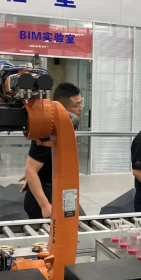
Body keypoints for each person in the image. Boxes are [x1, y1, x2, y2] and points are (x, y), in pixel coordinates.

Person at [20, 83, 83, 219]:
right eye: (76, 105)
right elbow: (30, 170)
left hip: (60, 189)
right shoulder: (47, 131)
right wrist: (45, 205)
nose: (81, 108)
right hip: (45, 196)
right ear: (62, 109)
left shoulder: (67, 127)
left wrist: (34, 174)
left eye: (80, 103)